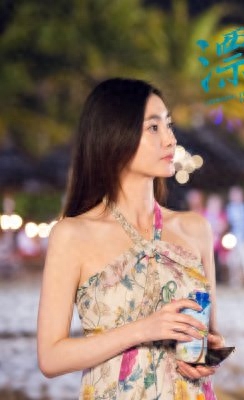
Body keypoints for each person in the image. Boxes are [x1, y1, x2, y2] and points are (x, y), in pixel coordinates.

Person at [37, 78, 224, 399]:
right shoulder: (72, 235)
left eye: (169, 125)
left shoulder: (195, 229)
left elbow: (209, 334)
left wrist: (208, 353)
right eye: (153, 128)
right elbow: (50, 358)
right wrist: (143, 329)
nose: (170, 140)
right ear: (114, 136)